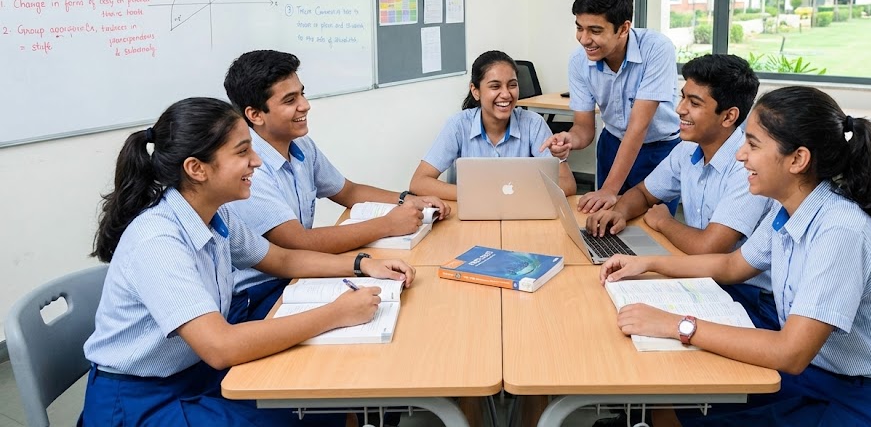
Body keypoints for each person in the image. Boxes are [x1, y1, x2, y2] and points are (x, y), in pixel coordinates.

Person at [600, 86, 871, 426]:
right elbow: (731, 265)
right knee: (682, 403)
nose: (740, 155)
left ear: (798, 159)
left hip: (868, 397)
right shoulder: (789, 210)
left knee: (697, 406)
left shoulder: (840, 232)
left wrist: (676, 325)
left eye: (753, 144)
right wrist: (648, 263)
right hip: (820, 374)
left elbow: (791, 352)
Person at [80, 97, 415, 426]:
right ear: (196, 169)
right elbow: (220, 347)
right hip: (140, 403)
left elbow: (282, 260)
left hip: (195, 374)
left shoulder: (214, 215)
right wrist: (336, 313)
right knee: (311, 412)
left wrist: (362, 264)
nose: (256, 161)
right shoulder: (158, 242)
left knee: (323, 402)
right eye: (243, 151)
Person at [223, 49, 449, 324]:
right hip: (261, 292)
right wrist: (388, 224)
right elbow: (297, 242)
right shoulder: (250, 169)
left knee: (394, 303)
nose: (305, 105)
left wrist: (408, 199)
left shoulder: (300, 145)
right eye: (290, 100)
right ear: (255, 114)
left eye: (302, 94)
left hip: (301, 271)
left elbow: (348, 191)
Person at [586, 54, 777, 330]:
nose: (679, 109)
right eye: (683, 97)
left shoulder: (746, 167)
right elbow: (643, 193)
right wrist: (617, 212)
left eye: (694, 103)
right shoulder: (688, 147)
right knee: (612, 307)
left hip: (747, 294)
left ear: (729, 116)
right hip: (702, 275)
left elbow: (709, 247)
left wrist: (664, 222)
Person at [542, 0, 680, 214]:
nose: (584, 39)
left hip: (659, 150)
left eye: (595, 30)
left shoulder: (657, 49)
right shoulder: (579, 61)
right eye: (579, 28)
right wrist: (569, 140)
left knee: (652, 227)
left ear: (624, 28)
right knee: (603, 221)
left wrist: (608, 189)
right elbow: (584, 129)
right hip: (612, 144)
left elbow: (638, 128)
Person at [409, 50, 576, 200]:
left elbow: (567, 184)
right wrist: (478, 195)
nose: (506, 94)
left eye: (512, 85)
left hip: (519, 214)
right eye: (495, 86)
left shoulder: (533, 124)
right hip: (470, 217)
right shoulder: (458, 126)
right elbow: (419, 182)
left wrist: (516, 195)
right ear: (476, 91)